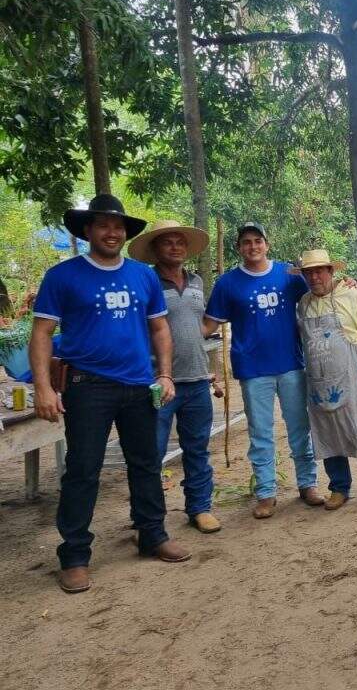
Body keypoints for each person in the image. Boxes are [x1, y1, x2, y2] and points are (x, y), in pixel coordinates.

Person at [30, 194, 191, 594]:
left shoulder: (143, 276)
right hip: (87, 386)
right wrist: (44, 388)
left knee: (145, 463)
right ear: (87, 230)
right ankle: (75, 556)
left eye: (118, 226)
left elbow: (159, 329)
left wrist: (165, 374)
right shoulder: (63, 276)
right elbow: (41, 334)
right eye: (103, 224)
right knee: (83, 469)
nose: (112, 232)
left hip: (139, 384)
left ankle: (152, 534)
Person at [202, 222, 323, 518]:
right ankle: (266, 492)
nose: (253, 246)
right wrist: (173, 335)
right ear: (239, 248)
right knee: (260, 432)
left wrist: (348, 285)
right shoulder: (227, 283)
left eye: (258, 241)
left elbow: (320, 291)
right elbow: (209, 324)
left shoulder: (288, 274)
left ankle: (307, 484)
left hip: (291, 363)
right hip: (253, 368)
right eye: (246, 242)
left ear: (267, 244)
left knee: (299, 427)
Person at [128, 220, 223, 533]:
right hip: (158, 382)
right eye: (167, 242)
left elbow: (201, 328)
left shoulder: (196, 281)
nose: (175, 247)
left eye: (180, 242)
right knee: (150, 452)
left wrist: (213, 372)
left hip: (196, 380)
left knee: (197, 448)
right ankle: (148, 517)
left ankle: (200, 508)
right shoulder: (145, 282)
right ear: (154, 249)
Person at [292, 249, 357, 510]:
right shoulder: (303, 303)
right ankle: (339, 488)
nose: (314, 277)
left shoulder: (354, 296)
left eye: (319, 271)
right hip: (318, 382)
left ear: (330, 272)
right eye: (308, 273)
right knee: (327, 433)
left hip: (353, 375)